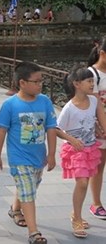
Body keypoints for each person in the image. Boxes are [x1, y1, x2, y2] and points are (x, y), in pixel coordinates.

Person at [0, 62, 57, 244]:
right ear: (22, 82)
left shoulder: (45, 101)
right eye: (36, 81)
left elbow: (51, 129)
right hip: (19, 158)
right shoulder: (10, 105)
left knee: (29, 187)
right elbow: (1, 132)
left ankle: (15, 209)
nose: (40, 84)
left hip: (38, 157)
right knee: (28, 192)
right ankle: (34, 233)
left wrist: (52, 154)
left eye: (41, 81)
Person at [57, 66, 106, 238]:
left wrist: (99, 129)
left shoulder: (94, 101)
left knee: (83, 183)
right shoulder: (69, 107)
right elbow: (56, 128)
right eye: (89, 81)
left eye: (93, 81)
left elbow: (102, 122)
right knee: (83, 182)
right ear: (77, 84)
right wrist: (71, 140)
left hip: (90, 148)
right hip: (75, 150)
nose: (92, 84)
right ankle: (77, 218)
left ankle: (76, 214)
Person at [87, 36, 106, 220]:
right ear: (102, 53)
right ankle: (96, 202)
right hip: (99, 128)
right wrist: (95, 124)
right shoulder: (92, 74)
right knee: (98, 166)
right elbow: (89, 102)